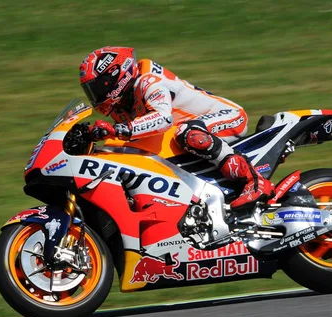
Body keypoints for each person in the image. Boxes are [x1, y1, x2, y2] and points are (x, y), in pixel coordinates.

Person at [71, 46, 274, 209]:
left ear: (116, 76)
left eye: (99, 87)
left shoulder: (148, 82)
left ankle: (254, 181)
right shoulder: (121, 104)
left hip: (229, 116)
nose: (95, 95)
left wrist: (119, 130)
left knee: (188, 133)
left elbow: (163, 119)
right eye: (91, 90)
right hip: (193, 128)